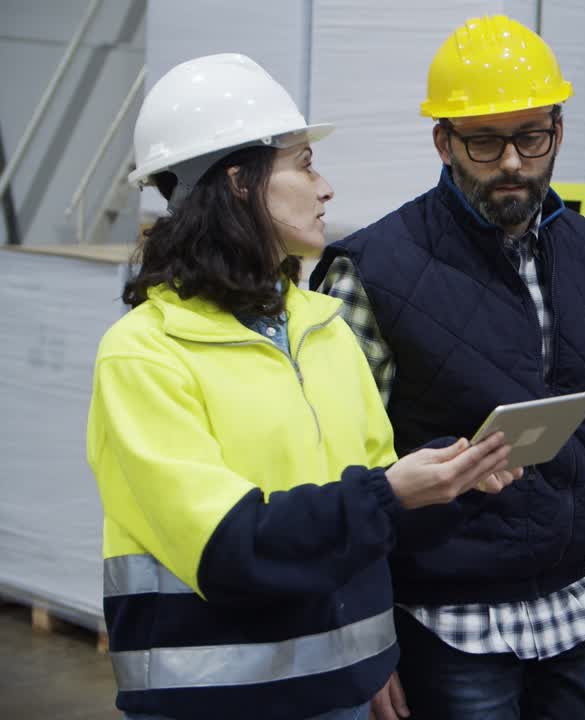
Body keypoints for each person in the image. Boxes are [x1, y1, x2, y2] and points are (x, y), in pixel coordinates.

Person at [87, 53, 518, 720]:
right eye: (304, 164)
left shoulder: (324, 329)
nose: (326, 188)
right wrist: (392, 492)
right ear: (238, 181)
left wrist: (450, 480)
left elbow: (372, 510)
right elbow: (231, 547)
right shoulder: (145, 353)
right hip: (216, 701)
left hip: (343, 690)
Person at [312, 15, 585, 719]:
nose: (512, 161)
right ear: (443, 142)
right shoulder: (373, 270)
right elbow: (335, 467)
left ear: (557, 133)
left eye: (531, 137)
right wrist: (359, 634)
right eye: (484, 141)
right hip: (444, 628)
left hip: (572, 618)